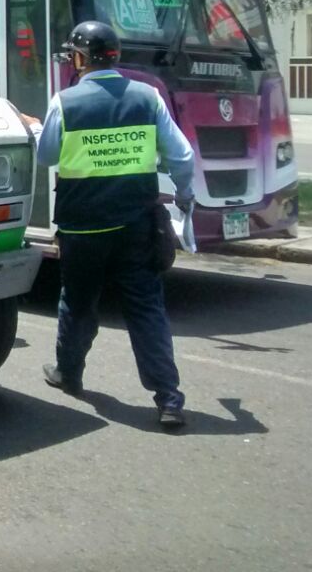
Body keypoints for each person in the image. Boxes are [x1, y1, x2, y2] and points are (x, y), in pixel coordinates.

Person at [35, 21, 194, 429]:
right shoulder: (148, 97)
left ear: (81, 58)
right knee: (146, 308)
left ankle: (68, 373)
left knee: (78, 301)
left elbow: (46, 155)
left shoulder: (65, 102)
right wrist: (184, 194)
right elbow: (182, 157)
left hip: (83, 226)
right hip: (135, 222)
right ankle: (168, 398)